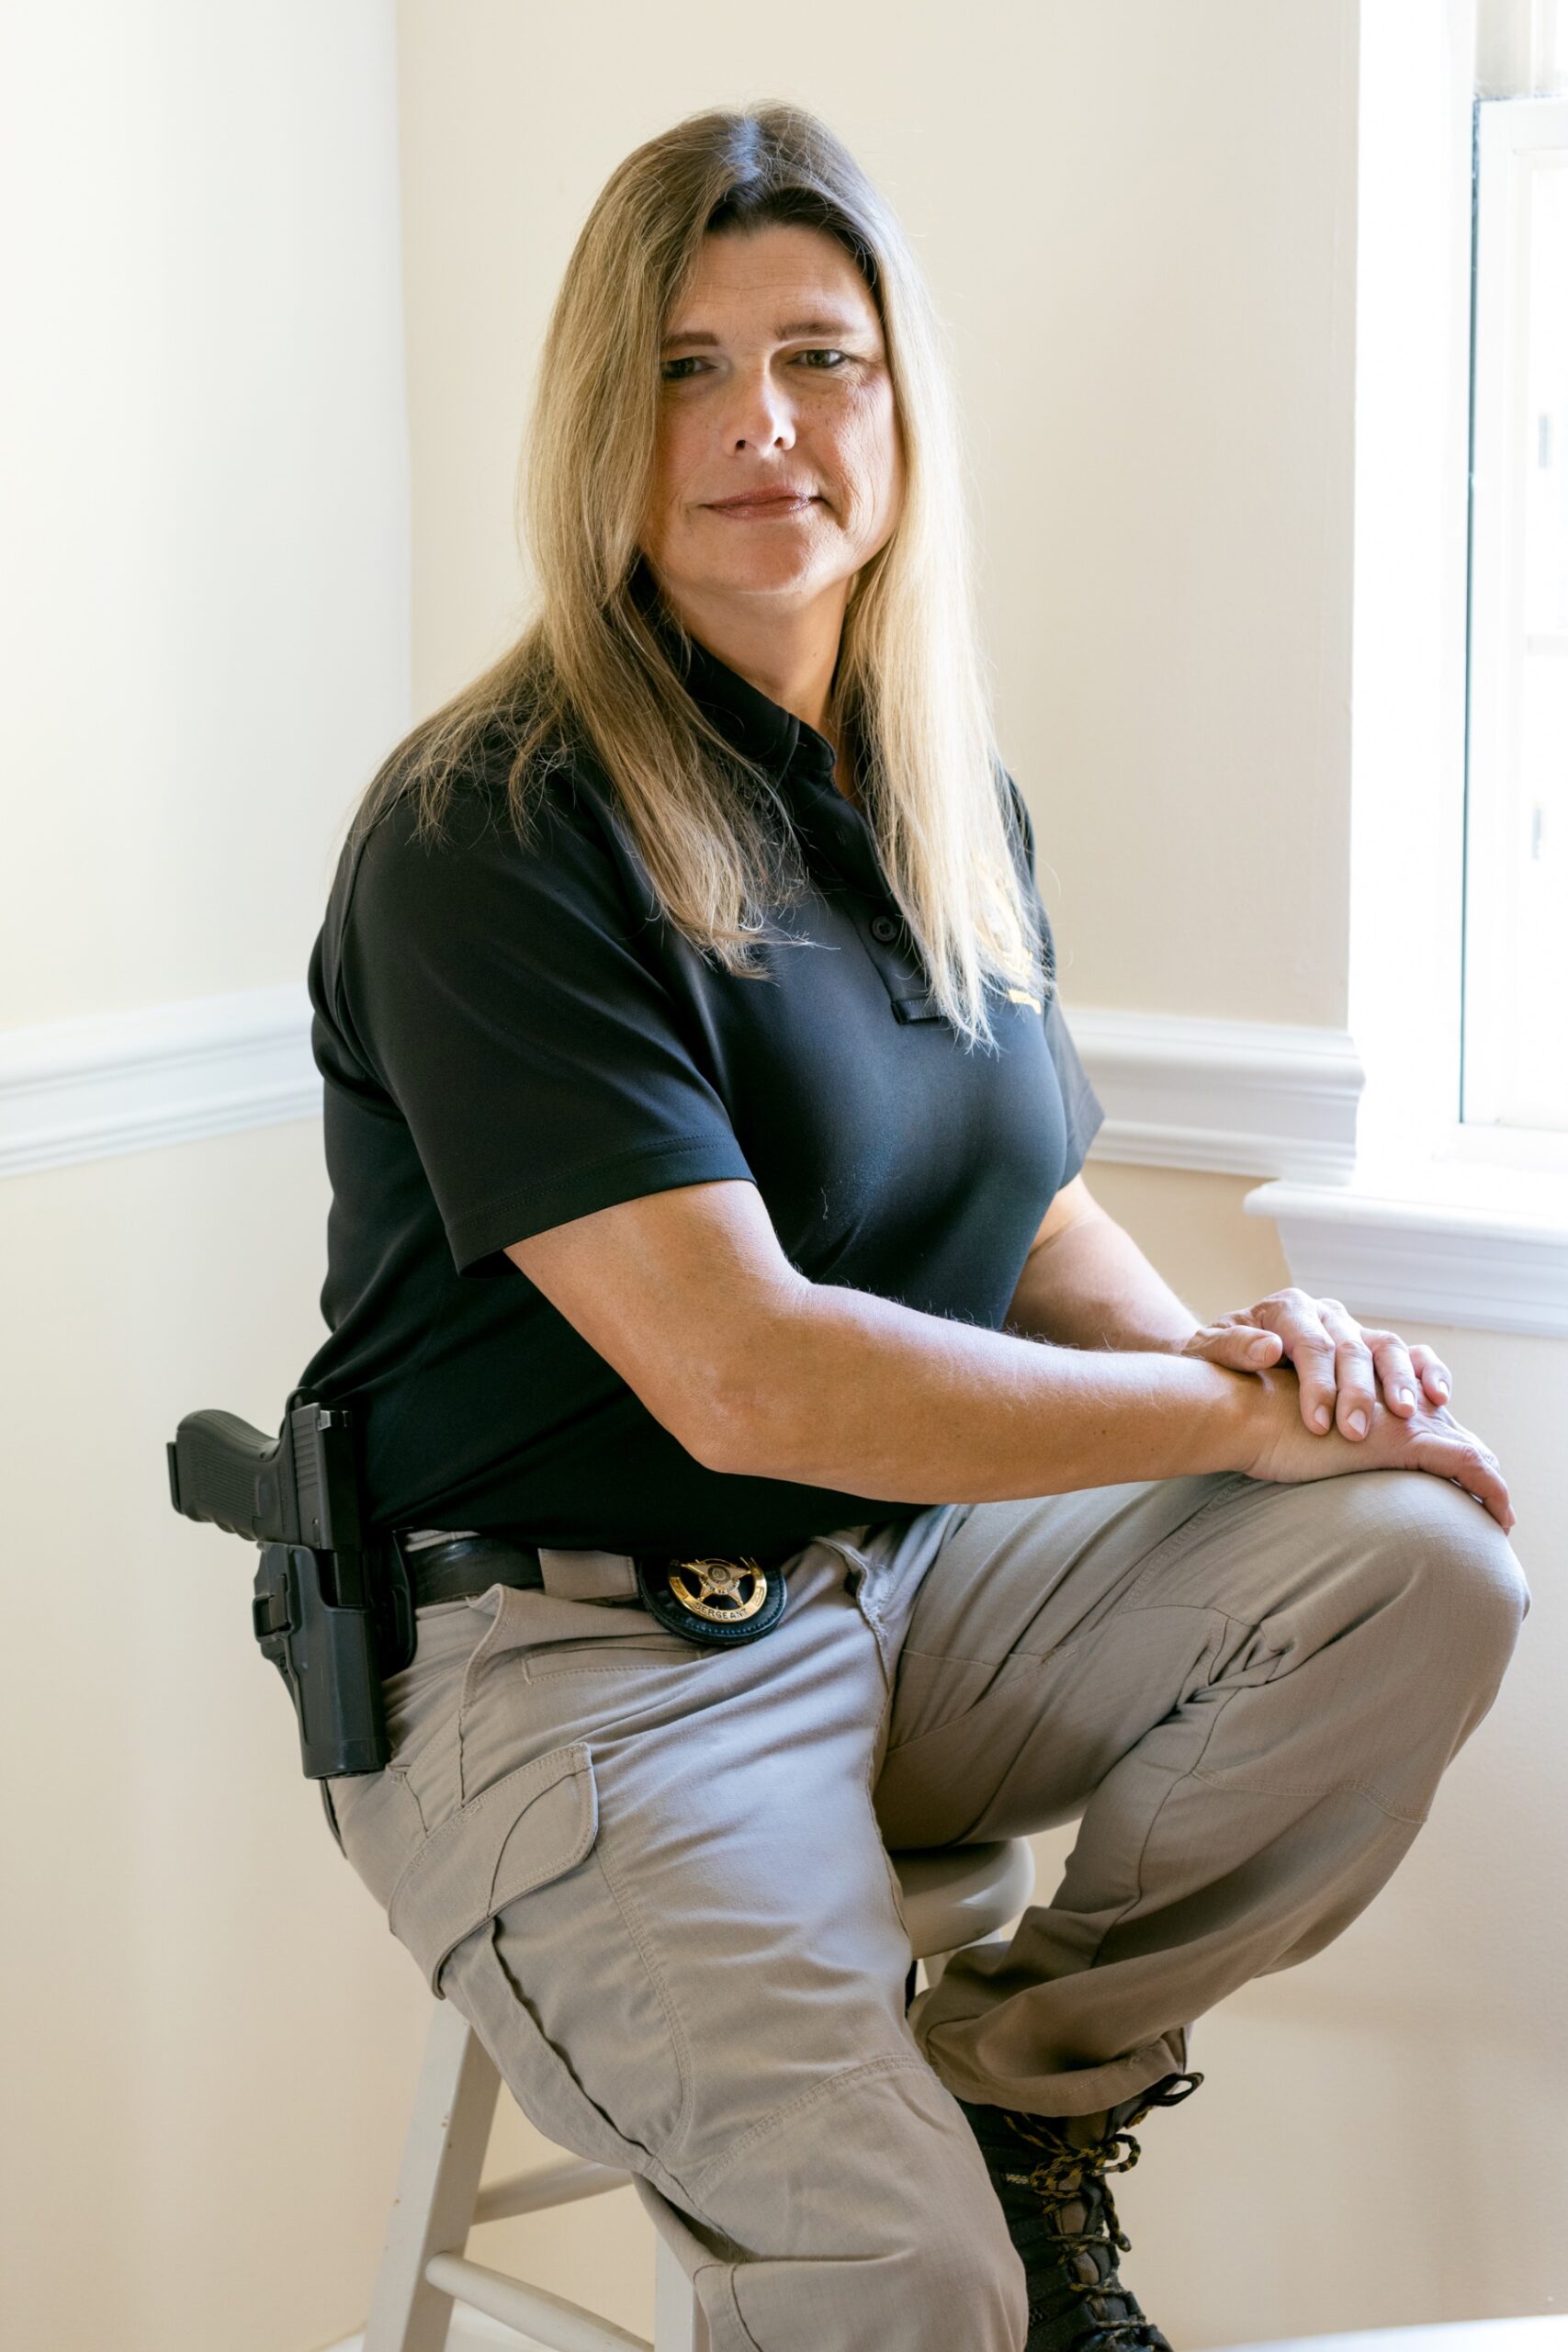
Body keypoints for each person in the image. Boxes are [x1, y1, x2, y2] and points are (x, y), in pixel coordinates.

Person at [301, 103, 1528, 2352]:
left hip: (886, 1578)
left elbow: (1015, 1176)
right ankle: (952, 2201)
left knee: (1415, 1555)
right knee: (908, 2291)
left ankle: (1022, 2086)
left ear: (897, 407)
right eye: (683, 367)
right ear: (601, 421)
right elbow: (746, 1366)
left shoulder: (925, 781)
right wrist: (1203, 1414)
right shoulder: (492, 825)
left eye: (818, 355)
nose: (759, 422)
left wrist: (1252, 1383)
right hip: (567, 1671)